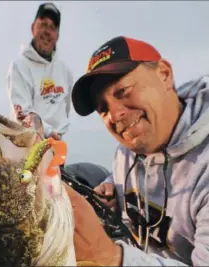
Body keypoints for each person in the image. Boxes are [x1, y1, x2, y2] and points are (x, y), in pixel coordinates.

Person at [68, 35, 209, 266]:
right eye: (103, 109)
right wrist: (111, 187)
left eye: (122, 91)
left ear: (164, 74)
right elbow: (121, 173)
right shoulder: (126, 152)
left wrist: (112, 258)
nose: (114, 115)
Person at [6, 2, 74, 141]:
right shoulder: (19, 66)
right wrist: (48, 132)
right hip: (26, 146)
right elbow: (22, 113)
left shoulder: (65, 72)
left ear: (57, 36)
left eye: (52, 27)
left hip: (56, 149)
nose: (47, 31)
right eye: (43, 24)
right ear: (33, 28)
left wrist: (56, 136)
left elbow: (65, 111)